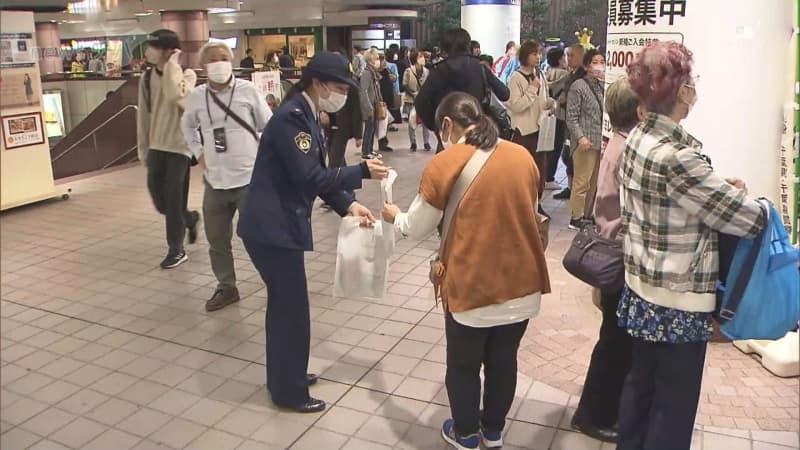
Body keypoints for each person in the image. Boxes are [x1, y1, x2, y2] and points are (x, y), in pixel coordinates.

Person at [617, 41, 767, 450]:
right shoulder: (679, 157)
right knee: (674, 403)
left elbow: (675, 200)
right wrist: (744, 197)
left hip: (640, 288)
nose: (695, 87)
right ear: (682, 92)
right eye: (692, 80)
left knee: (640, 387)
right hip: (678, 299)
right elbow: (751, 220)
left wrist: (717, 189)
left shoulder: (637, 140)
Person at [382, 92, 550, 450]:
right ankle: (493, 431)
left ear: (447, 125)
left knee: (463, 366)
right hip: (523, 283)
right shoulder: (522, 156)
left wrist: (394, 217)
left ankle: (466, 434)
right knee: (504, 362)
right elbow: (531, 211)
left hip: (472, 288)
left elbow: (417, 226)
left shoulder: (446, 163)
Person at [237, 52, 389, 414]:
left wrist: (349, 205)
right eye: (340, 87)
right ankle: (288, 391)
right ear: (318, 83)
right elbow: (310, 177)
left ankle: (286, 376)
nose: (343, 94)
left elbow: (315, 174)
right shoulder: (293, 119)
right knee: (290, 311)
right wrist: (361, 171)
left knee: (285, 308)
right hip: (271, 229)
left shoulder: (305, 115)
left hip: (274, 226)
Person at [570, 78, 639, 444]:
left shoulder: (617, 142)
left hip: (611, 252)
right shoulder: (629, 150)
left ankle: (599, 410)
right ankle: (592, 414)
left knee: (614, 338)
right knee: (614, 341)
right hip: (618, 257)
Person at [180, 41, 271, 311]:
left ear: (230, 62)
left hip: (248, 180)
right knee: (217, 240)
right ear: (204, 66)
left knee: (258, 236)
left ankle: (276, 281)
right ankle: (227, 286)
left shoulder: (247, 90)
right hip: (215, 182)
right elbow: (187, 127)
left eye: (223, 58)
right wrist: (198, 153)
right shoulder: (197, 96)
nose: (218, 63)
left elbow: (269, 125)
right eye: (212, 59)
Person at [137, 29, 200, 269]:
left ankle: (176, 249)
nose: (148, 51)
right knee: (159, 199)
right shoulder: (146, 79)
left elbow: (178, 97)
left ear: (169, 51)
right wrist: (143, 148)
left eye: (154, 47)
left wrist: (173, 66)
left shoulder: (188, 76)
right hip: (156, 146)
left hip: (179, 148)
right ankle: (190, 218)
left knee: (174, 199)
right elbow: (143, 116)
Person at [415, 28, 510, 152]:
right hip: (478, 135)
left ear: (445, 47)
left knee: (447, 169)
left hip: (449, 135)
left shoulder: (438, 70)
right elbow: (505, 94)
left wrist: (437, 126)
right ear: (468, 44)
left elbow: (420, 102)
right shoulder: (480, 67)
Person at [506, 40, 555, 198]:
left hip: (541, 129)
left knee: (540, 169)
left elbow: (543, 99)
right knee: (524, 170)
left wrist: (551, 103)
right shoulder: (516, 77)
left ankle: (537, 202)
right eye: (534, 54)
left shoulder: (540, 74)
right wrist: (532, 89)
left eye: (539, 53)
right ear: (525, 56)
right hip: (524, 131)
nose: (538, 57)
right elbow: (516, 106)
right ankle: (523, 202)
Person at [566, 48, 605, 230]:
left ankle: (587, 214)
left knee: (594, 182)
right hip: (584, 143)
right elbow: (571, 117)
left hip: (599, 142)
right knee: (582, 181)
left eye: (602, 62)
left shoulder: (601, 85)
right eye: (595, 62)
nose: (599, 66)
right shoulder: (578, 86)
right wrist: (580, 137)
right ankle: (576, 217)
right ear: (587, 65)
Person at [554, 44, 586, 200]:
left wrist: (567, 100)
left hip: (579, 123)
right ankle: (570, 186)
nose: (568, 58)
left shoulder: (584, 76)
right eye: (567, 55)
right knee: (567, 155)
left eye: (571, 55)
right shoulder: (570, 74)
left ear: (581, 56)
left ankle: (575, 188)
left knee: (574, 157)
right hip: (568, 121)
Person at [544, 47, 570, 191]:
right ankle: (550, 178)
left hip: (547, 113)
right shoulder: (567, 76)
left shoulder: (545, 73)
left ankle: (544, 176)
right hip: (560, 115)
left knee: (546, 146)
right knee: (556, 147)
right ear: (560, 59)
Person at [402, 49, 432, 152]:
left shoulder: (427, 71)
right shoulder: (408, 71)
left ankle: (426, 142)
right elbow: (405, 85)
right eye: (420, 56)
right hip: (411, 100)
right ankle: (413, 143)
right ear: (415, 58)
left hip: (423, 100)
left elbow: (429, 86)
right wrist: (413, 94)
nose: (422, 58)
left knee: (425, 122)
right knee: (411, 122)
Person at [359, 48, 382, 159]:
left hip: (374, 104)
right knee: (368, 129)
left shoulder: (374, 73)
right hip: (369, 106)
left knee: (372, 128)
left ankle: (370, 149)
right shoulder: (367, 73)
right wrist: (368, 107)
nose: (378, 60)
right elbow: (363, 91)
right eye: (376, 57)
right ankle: (365, 151)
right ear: (370, 59)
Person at [377, 54, 397, 151]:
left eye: (384, 60)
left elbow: (393, 79)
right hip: (380, 100)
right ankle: (382, 143)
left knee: (386, 122)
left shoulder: (386, 70)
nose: (384, 62)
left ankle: (383, 142)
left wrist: (393, 77)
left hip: (387, 99)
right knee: (382, 122)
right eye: (382, 60)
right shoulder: (375, 73)